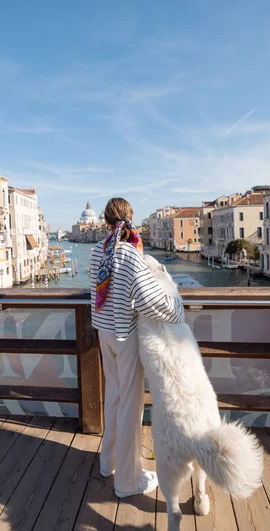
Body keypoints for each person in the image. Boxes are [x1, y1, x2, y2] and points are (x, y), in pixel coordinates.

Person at [90, 197, 184, 498]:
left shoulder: (98, 251)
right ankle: (127, 483)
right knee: (131, 408)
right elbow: (149, 301)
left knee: (114, 400)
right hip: (125, 337)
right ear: (130, 218)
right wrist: (178, 308)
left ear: (106, 221)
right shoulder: (130, 254)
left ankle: (108, 463)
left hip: (103, 333)